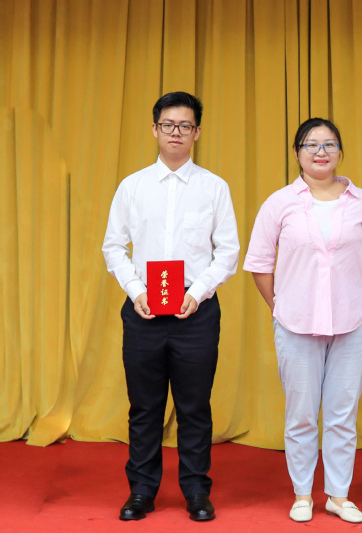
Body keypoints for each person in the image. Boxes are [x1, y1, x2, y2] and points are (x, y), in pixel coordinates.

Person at [102, 91, 239, 522]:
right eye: (168, 125)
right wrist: (135, 290)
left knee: (194, 406)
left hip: (196, 312)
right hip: (144, 310)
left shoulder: (214, 187)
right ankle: (141, 491)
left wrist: (198, 292)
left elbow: (228, 251)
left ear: (196, 132)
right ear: (154, 129)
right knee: (144, 407)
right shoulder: (133, 186)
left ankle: (196, 491)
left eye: (184, 125)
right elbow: (113, 246)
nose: (175, 132)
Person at [243, 118, 362, 524]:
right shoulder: (279, 203)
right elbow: (259, 263)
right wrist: (280, 306)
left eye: (329, 144)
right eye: (311, 144)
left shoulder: (361, 201)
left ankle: (338, 496)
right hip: (295, 325)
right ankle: (303, 494)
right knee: (302, 415)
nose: (320, 152)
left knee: (342, 415)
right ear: (297, 153)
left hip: (351, 323)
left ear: (340, 151)